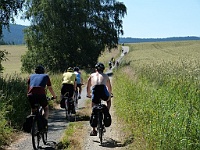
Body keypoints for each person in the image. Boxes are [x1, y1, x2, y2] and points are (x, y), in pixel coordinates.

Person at [86, 62, 112, 136]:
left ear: (96, 69)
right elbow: (109, 87)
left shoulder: (91, 75)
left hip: (95, 91)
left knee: (94, 107)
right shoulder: (106, 76)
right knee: (109, 100)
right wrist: (110, 94)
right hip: (103, 90)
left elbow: (88, 87)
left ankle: (93, 130)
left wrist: (88, 94)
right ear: (103, 70)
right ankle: (106, 111)